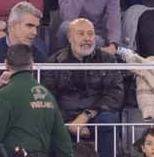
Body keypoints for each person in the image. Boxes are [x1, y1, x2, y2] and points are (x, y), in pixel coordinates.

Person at [0, 43, 74, 157]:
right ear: (32, 64)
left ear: (6, 64)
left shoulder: (3, 96)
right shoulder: (47, 96)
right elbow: (64, 143)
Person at [44, 19, 125, 157]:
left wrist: (86, 115)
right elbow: (48, 98)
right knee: (49, 121)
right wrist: (70, 123)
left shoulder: (107, 59)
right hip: (65, 119)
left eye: (90, 34)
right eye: (80, 34)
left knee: (109, 119)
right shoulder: (54, 61)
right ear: (69, 38)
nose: (87, 38)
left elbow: (115, 94)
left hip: (96, 115)